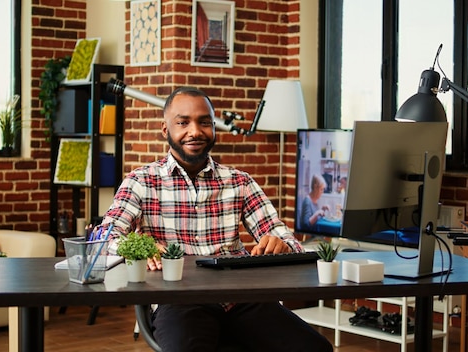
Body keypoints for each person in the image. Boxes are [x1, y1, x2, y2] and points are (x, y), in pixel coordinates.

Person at [98, 87, 333, 352]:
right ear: (166, 130)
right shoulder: (140, 181)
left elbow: (286, 239)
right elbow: (105, 237)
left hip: (242, 299)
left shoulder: (239, 181)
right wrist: (140, 247)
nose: (195, 131)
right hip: (178, 302)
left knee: (315, 348)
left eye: (204, 122)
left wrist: (280, 244)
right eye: (183, 122)